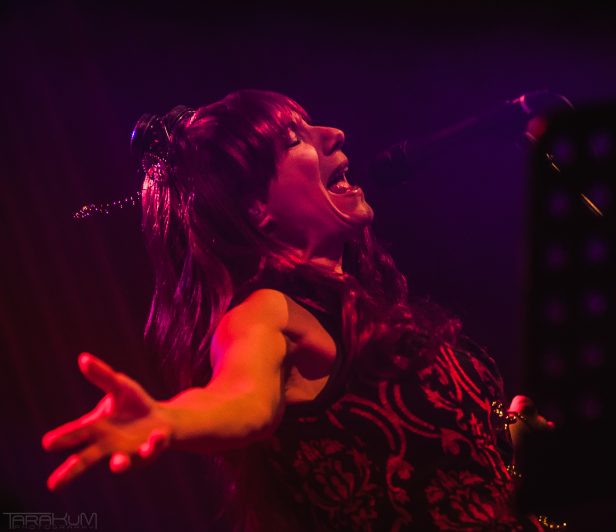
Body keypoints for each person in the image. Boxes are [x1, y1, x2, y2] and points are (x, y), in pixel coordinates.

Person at [42, 89, 548, 531]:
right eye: (293, 140)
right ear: (255, 209)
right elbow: (241, 400)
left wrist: (505, 436)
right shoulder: (267, 312)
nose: (334, 133)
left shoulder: (368, 306)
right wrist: (167, 419)